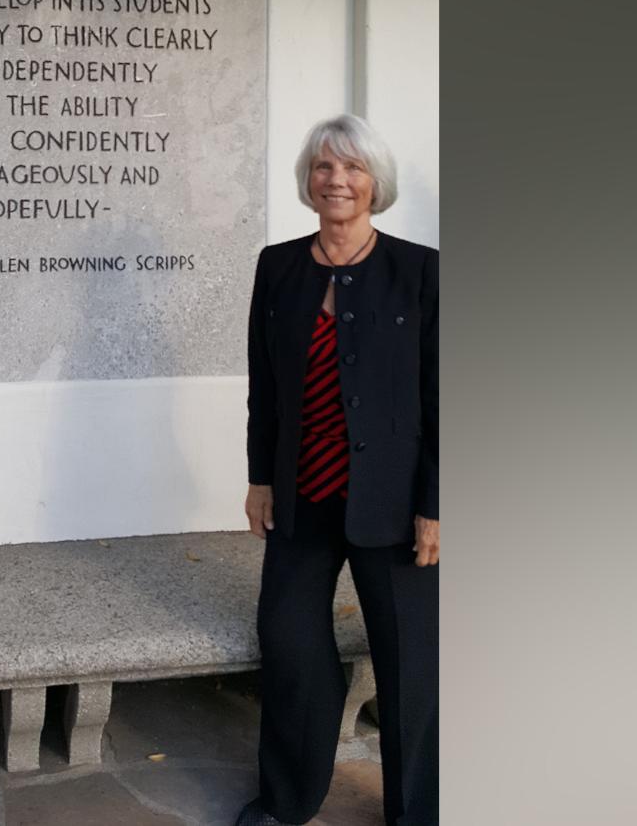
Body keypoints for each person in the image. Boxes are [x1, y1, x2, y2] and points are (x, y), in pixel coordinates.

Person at [234, 114, 439, 826]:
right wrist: (262, 478)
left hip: (392, 504)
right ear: (308, 181)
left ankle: (418, 812)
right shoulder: (278, 266)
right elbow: (266, 384)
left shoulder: (419, 269)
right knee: (291, 650)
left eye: (352, 168)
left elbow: (444, 395)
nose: (338, 180)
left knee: (410, 669)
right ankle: (286, 802)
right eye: (324, 167)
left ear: (375, 182)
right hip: (304, 497)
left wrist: (436, 504)